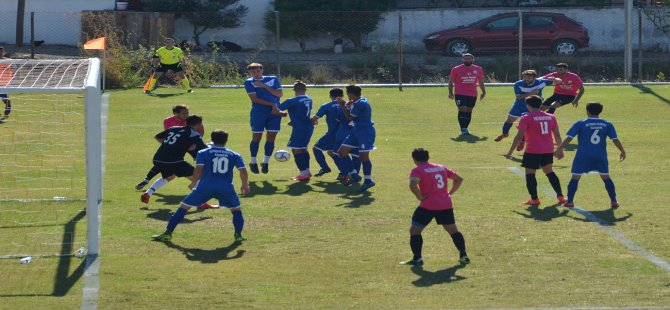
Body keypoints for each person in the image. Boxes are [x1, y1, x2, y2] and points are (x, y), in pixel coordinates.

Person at [152, 129, 250, 242]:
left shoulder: (203, 153)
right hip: (226, 188)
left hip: (205, 187)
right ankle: (238, 235)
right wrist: (244, 185)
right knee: (236, 210)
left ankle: (168, 233)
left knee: (184, 207)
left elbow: (198, 169)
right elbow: (243, 171)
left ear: (212, 139)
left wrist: (193, 182)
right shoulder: (234, 154)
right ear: (226, 141)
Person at [401, 148, 469, 266]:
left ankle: (417, 258)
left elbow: (413, 184)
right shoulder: (441, 167)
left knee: (415, 231)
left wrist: (419, 197)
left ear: (414, 159)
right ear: (428, 157)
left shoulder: (417, 170)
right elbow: (459, 179)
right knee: (453, 230)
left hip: (428, 206)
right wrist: (449, 193)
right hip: (445, 205)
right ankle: (463, 255)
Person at [554, 102, 626, 209]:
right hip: (600, 156)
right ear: (600, 111)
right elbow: (615, 140)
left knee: (575, 177)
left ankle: (569, 201)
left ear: (587, 111)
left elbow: (569, 137)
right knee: (606, 177)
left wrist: (559, 148)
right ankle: (614, 200)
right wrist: (622, 151)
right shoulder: (607, 124)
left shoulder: (580, 123)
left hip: (582, 155)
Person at [504, 95, 565, 206]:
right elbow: (557, 135)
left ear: (528, 105)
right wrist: (560, 150)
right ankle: (560, 196)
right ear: (540, 104)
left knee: (530, 174)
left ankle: (534, 199)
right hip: (548, 149)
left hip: (533, 150)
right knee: (549, 172)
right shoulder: (551, 116)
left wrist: (510, 152)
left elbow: (518, 137)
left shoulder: (526, 118)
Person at [140, 115, 209, 207]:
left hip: (158, 158)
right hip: (174, 161)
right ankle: (200, 203)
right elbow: (204, 151)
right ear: (199, 124)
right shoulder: (194, 134)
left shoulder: (174, 128)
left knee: (169, 176)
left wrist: (171, 145)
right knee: (198, 177)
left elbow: (158, 137)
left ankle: (148, 193)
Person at [135, 104, 205, 190]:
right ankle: (199, 194)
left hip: (179, 148)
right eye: (183, 113)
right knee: (195, 175)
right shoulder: (169, 121)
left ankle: (148, 188)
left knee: (168, 170)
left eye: (187, 113)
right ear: (176, 113)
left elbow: (200, 133)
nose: (186, 115)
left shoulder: (189, 121)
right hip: (176, 153)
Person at [495, 70, 561, 151]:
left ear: (534, 78)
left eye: (529, 77)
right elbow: (519, 97)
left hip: (532, 107)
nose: (526, 79)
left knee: (526, 125)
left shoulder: (541, 82)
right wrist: (532, 93)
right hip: (518, 105)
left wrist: (554, 79)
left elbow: (559, 81)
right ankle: (504, 134)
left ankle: (522, 142)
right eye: (525, 77)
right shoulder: (518, 84)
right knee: (509, 121)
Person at [334, 85, 376, 192]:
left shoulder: (361, 103)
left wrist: (343, 106)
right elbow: (353, 108)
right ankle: (355, 175)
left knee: (363, 157)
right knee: (341, 152)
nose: (347, 95)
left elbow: (349, 118)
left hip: (365, 132)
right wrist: (348, 105)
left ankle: (368, 181)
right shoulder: (358, 101)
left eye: (347, 93)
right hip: (355, 131)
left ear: (351, 94)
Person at [244, 62, 283, 174]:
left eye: (258, 71)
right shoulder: (249, 82)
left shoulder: (273, 79)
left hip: (274, 113)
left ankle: (265, 162)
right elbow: (254, 99)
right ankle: (253, 162)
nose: (256, 73)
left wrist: (265, 86)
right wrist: (271, 104)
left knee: (271, 137)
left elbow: (279, 95)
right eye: (253, 72)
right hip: (259, 113)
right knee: (256, 137)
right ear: (250, 72)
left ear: (262, 70)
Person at [276, 81, 314, 181]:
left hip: (300, 128)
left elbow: (277, 109)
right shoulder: (309, 98)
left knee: (296, 149)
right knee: (303, 149)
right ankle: (307, 171)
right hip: (308, 127)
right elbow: (303, 112)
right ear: (305, 89)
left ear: (294, 90)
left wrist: (280, 112)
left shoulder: (291, 100)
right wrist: (293, 121)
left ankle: (303, 173)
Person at [448, 53, 486, 135]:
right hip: (460, 93)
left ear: (472, 59)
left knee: (469, 111)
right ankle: (463, 129)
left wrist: (483, 91)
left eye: (469, 58)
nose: (467, 60)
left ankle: (466, 127)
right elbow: (451, 81)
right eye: (465, 58)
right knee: (462, 109)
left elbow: (481, 81)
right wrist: (450, 91)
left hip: (472, 94)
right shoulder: (456, 69)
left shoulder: (478, 69)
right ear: (462, 59)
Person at [310, 88, 343, 177]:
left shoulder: (326, 106)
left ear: (330, 96)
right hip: (346, 133)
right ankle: (344, 172)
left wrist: (310, 120)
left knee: (316, 149)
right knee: (332, 152)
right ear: (342, 96)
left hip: (333, 134)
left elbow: (315, 118)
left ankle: (325, 168)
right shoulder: (347, 104)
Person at [0, 46, 12, 121]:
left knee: (6, 101)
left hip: (4, 84)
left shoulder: (8, 61)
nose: (0, 53)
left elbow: (15, 67)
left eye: (1, 52)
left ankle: (6, 115)